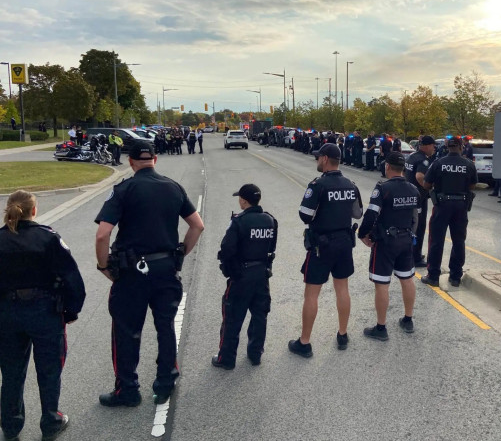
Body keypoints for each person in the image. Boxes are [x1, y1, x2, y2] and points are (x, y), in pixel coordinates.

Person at [94, 140, 204, 406]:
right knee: (165, 327)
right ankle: (165, 381)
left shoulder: (124, 189)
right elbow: (197, 226)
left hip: (132, 273)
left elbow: (103, 234)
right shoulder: (173, 187)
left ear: (130, 162)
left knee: (126, 331)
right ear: (155, 160)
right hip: (165, 269)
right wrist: (179, 254)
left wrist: (104, 266)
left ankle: (128, 390)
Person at [0, 190, 85, 441]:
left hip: (7, 313)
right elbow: (72, 277)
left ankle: (11, 425)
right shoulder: (47, 238)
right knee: (49, 370)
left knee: (11, 371)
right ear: (33, 210)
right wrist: (71, 310)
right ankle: (50, 421)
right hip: (44, 311)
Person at [289, 143, 363, 357]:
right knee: (342, 288)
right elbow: (357, 213)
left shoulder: (318, 185)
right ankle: (342, 334)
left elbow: (305, 215)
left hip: (321, 245)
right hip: (344, 242)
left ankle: (304, 342)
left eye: (317, 158)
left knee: (312, 293)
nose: (316, 161)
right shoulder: (351, 184)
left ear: (324, 159)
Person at [212, 184, 277, 369]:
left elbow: (226, 249)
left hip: (241, 276)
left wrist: (229, 269)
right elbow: (271, 248)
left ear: (243, 201)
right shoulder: (271, 220)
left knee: (232, 317)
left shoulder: (238, 221)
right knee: (259, 316)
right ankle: (255, 354)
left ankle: (226, 359)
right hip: (262, 275)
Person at [358, 152, 419, 340]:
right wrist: (412, 235)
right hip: (406, 240)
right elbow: (416, 218)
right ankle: (408, 319)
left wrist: (362, 234)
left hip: (386, 242)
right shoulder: (413, 189)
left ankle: (381, 328)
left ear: (387, 167)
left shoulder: (383, 189)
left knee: (382, 284)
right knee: (407, 279)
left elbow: (370, 215)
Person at [421, 136, 477, 287]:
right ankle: (455, 277)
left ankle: (433, 276)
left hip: (442, 205)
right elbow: (472, 185)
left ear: (447, 147)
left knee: (436, 240)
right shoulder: (468, 164)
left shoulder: (438, 163)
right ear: (461, 147)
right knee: (459, 241)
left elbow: (426, 184)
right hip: (461, 206)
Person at [405, 135, 436, 267]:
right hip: (419, 198)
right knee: (419, 227)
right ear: (427, 146)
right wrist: (428, 187)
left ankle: (409, 253)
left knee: (410, 226)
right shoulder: (424, 161)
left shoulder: (412, 156)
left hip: (409, 196)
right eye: (433, 146)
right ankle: (416, 257)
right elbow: (419, 176)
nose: (434, 149)